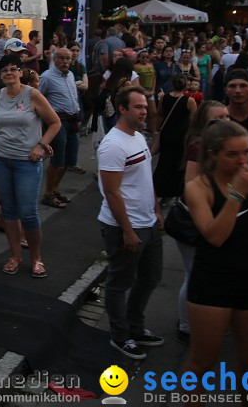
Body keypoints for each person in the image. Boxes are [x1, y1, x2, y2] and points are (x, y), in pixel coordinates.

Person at [97, 85, 164, 360]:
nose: (144, 111)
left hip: (148, 221)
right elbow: (111, 191)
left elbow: (144, 178)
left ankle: (135, 327)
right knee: (118, 282)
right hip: (124, 226)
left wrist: (157, 209)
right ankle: (120, 336)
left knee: (150, 277)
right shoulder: (113, 145)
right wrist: (127, 229)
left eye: (145, 107)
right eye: (138, 107)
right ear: (122, 109)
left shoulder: (137, 137)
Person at [0, 53, 61, 277]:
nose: (9, 73)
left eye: (12, 69)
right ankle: (15, 256)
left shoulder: (32, 95)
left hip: (26, 161)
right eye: (4, 70)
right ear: (0, 75)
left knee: (28, 212)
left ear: (20, 72)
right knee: (8, 210)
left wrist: (41, 145)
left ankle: (36, 258)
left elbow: (55, 123)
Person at [174, 100, 230, 344]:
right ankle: (186, 325)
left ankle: (201, 320)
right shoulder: (199, 147)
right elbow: (191, 186)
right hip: (193, 221)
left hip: (210, 218)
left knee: (205, 274)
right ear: (203, 123)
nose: (223, 123)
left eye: (226, 117)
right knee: (193, 274)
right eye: (216, 120)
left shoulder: (222, 145)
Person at [38, 48, 83, 208]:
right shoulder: (46, 77)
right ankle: (48, 193)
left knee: (69, 159)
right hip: (58, 122)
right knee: (58, 159)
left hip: (72, 120)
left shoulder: (70, 75)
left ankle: (55, 190)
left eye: (68, 59)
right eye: (61, 58)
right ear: (55, 59)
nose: (65, 62)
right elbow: (38, 99)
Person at [154, 74, 197, 200]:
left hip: (166, 133)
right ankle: (176, 191)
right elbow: (194, 120)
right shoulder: (189, 101)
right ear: (185, 85)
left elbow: (160, 114)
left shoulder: (164, 98)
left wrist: (158, 130)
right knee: (179, 163)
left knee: (164, 161)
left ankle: (161, 189)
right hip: (181, 136)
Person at [225, 69, 248, 136]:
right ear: (225, 90)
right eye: (232, 86)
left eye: (243, 86)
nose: (238, 91)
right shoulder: (220, 119)